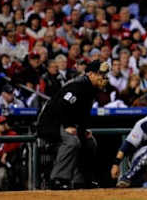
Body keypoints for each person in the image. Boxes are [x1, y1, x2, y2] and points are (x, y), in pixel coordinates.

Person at [36, 60, 109, 190]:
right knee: (72, 142)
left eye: (104, 75)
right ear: (91, 74)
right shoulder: (78, 85)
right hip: (50, 123)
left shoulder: (91, 89)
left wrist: (83, 129)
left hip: (66, 122)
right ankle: (58, 179)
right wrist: (68, 125)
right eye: (101, 74)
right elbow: (61, 106)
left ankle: (81, 180)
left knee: (89, 142)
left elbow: (81, 113)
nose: (103, 78)